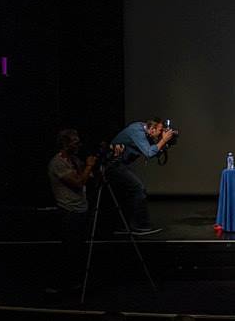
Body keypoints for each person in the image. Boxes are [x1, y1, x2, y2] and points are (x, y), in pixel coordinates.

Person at [46, 129, 97, 294]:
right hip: (68, 211)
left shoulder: (74, 160)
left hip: (81, 208)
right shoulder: (58, 163)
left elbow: (88, 177)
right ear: (65, 144)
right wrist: (89, 165)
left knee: (78, 250)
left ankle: (74, 282)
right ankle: (60, 285)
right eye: (75, 142)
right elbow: (78, 182)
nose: (78, 145)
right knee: (69, 250)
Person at [107, 117, 175, 235]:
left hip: (120, 164)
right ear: (152, 128)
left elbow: (155, 151)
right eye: (160, 131)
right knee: (138, 189)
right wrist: (163, 140)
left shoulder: (146, 132)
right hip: (113, 164)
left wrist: (166, 143)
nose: (161, 133)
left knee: (128, 195)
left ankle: (123, 226)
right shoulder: (137, 131)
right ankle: (140, 226)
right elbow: (149, 153)